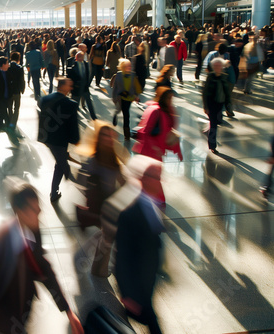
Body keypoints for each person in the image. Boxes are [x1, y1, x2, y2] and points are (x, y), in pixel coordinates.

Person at [0, 183, 84, 334]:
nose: (39, 213)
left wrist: (67, 311)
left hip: (24, 308)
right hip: (6, 320)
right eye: (34, 209)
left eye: (39, 208)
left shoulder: (33, 230)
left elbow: (43, 267)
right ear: (20, 211)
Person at [115, 155, 165, 334]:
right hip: (137, 285)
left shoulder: (151, 203)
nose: (160, 181)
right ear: (143, 179)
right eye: (157, 177)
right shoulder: (130, 213)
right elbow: (121, 257)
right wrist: (127, 294)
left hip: (147, 281)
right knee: (151, 321)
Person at [38, 78, 80, 202]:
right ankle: (66, 178)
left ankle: (55, 190)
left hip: (47, 137)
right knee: (61, 165)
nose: (71, 88)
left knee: (59, 162)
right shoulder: (71, 104)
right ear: (63, 87)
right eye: (69, 86)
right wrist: (75, 139)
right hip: (61, 140)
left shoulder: (45, 99)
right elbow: (73, 125)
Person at [133, 86, 182, 164]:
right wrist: (154, 148)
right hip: (148, 151)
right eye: (168, 98)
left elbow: (168, 130)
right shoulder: (155, 111)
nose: (170, 101)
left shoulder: (167, 111)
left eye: (171, 98)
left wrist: (178, 150)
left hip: (157, 151)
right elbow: (145, 131)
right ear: (163, 98)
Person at [203, 58, 232, 154]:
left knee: (217, 122)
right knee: (214, 125)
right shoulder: (210, 77)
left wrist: (228, 106)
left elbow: (227, 93)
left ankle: (209, 132)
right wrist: (205, 106)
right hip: (211, 104)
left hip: (220, 104)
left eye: (219, 66)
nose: (217, 68)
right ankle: (212, 145)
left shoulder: (224, 77)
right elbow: (205, 92)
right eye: (215, 66)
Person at [111, 58, 142, 140]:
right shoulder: (118, 75)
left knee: (124, 112)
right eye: (127, 66)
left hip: (129, 98)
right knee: (126, 114)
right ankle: (127, 134)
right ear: (123, 67)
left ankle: (116, 114)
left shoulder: (133, 75)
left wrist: (136, 96)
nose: (129, 67)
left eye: (130, 66)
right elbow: (115, 88)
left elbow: (136, 87)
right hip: (120, 97)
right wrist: (114, 97)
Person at [67, 51, 97, 120]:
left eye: (82, 56)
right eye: (80, 57)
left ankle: (94, 117)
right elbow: (71, 77)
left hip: (85, 88)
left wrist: (87, 84)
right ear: (76, 58)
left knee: (89, 103)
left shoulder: (86, 64)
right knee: (74, 104)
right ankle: (71, 117)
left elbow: (87, 74)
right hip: (77, 89)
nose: (81, 58)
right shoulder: (73, 66)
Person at [7, 51, 26, 134]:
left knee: (9, 107)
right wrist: (22, 89)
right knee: (16, 108)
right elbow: (22, 80)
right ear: (18, 59)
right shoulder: (20, 68)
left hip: (9, 91)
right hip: (17, 90)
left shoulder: (7, 67)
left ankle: (10, 120)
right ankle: (13, 123)